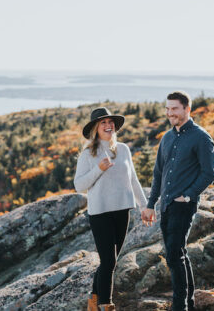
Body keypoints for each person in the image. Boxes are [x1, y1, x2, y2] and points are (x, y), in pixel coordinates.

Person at [141, 91, 214, 311]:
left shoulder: (201, 137)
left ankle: (179, 306)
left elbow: (209, 173)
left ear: (187, 109)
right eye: (167, 109)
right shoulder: (167, 137)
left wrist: (189, 195)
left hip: (184, 205)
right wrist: (150, 204)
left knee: (173, 253)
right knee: (179, 252)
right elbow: (158, 174)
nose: (170, 113)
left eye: (174, 108)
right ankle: (189, 304)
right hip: (165, 205)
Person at [74, 107, 149, 311]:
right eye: (103, 123)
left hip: (122, 211)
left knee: (110, 261)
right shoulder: (88, 154)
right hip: (100, 213)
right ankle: (105, 305)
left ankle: (93, 302)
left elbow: (133, 179)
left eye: (110, 122)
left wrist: (144, 206)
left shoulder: (123, 149)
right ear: (95, 129)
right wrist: (99, 169)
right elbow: (79, 185)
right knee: (108, 262)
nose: (108, 126)